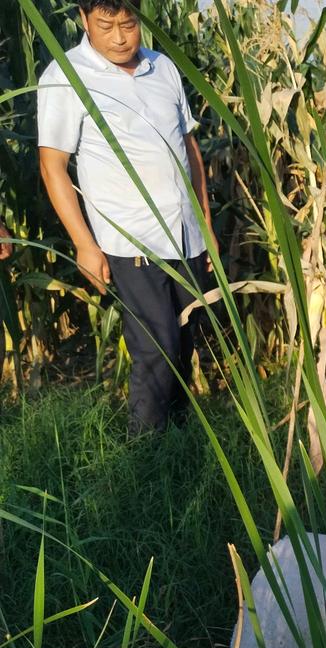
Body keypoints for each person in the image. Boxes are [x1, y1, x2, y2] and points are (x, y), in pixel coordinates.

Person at [37, 0, 216, 433]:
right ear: (83, 20)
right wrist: (84, 243)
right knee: (157, 351)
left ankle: (179, 444)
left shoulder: (163, 68)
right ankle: (146, 460)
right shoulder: (66, 76)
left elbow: (188, 147)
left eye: (128, 24)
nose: (119, 37)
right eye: (105, 25)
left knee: (186, 344)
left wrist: (206, 225)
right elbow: (52, 164)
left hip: (185, 236)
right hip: (131, 242)